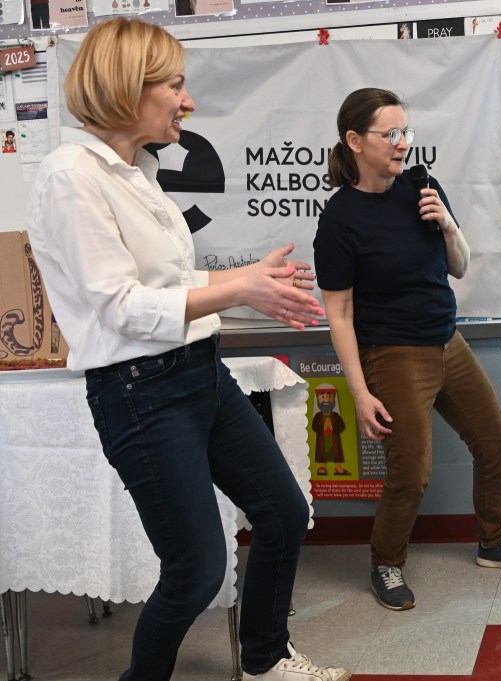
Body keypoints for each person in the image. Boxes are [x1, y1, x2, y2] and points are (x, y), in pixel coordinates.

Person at [25, 18, 347, 681]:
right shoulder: (71, 176)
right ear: (126, 86)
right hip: (140, 391)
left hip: (201, 372)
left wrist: (246, 281)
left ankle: (264, 660)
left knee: (283, 513)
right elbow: (121, 306)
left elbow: (167, 284)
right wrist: (240, 289)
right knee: (196, 570)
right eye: (175, 85)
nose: (188, 101)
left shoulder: (138, 173)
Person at [313, 87, 501, 612]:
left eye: (406, 132)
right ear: (355, 141)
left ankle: (493, 541)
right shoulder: (340, 218)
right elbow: (339, 314)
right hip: (393, 355)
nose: (403, 143)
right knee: (411, 474)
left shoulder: (422, 187)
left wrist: (447, 224)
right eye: (390, 133)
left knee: (495, 443)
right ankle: (386, 562)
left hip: (447, 340)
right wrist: (359, 392)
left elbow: (458, 266)